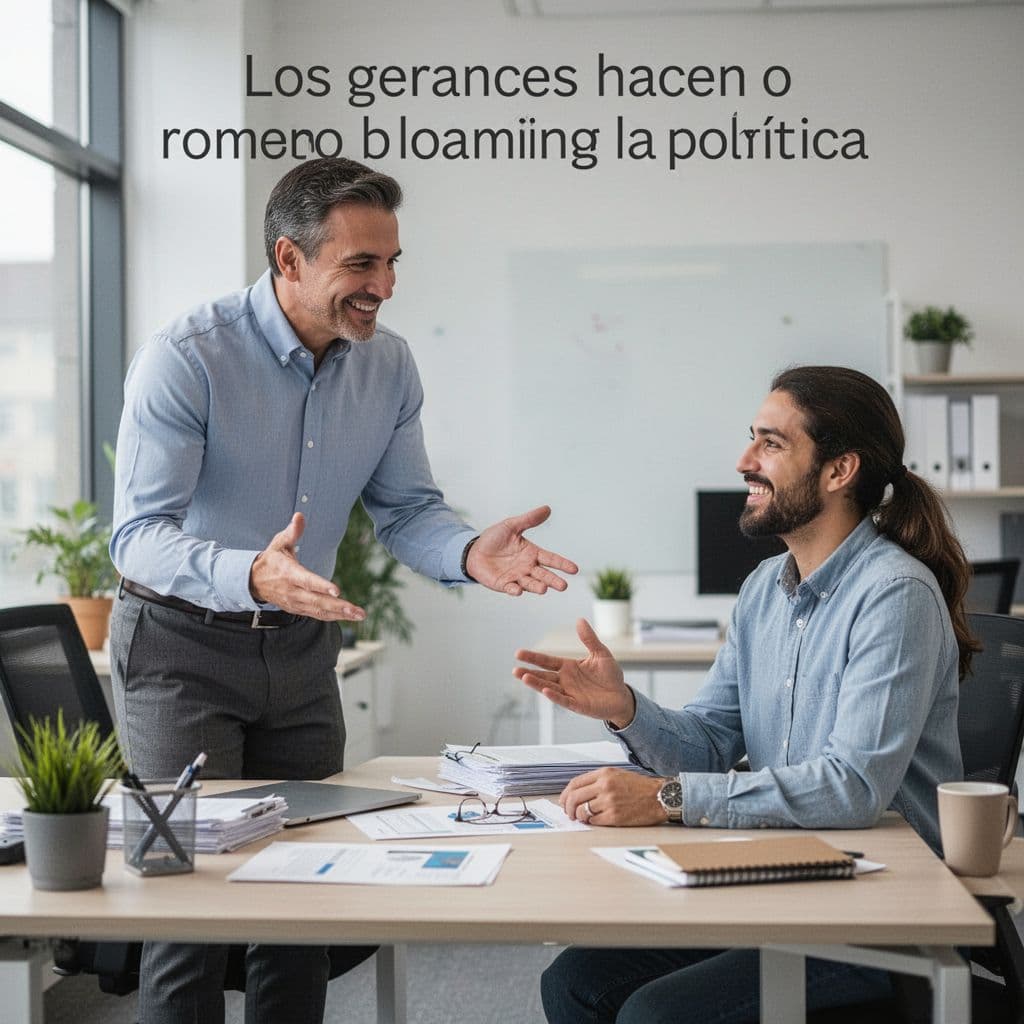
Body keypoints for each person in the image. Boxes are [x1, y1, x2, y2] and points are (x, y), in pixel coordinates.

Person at [108, 156, 577, 1024]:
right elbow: (136, 538)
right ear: (289, 260)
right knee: (188, 909)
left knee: (306, 895)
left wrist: (470, 552)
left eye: (393, 262)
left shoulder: (387, 367)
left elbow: (406, 511)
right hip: (180, 648)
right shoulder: (187, 358)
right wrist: (248, 570)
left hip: (297, 651)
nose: (384, 286)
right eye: (361, 265)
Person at [514, 365, 977, 1024]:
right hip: (780, 877)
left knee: (657, 1013)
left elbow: (852, 786)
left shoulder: (891, 595)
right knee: (575, 981)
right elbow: (709, 742)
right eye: (750, 440)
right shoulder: (765, 588)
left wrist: (667, 799)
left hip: (878, 905)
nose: (744, 461)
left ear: (839, 471)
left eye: (771, 443)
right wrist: (626, 708)